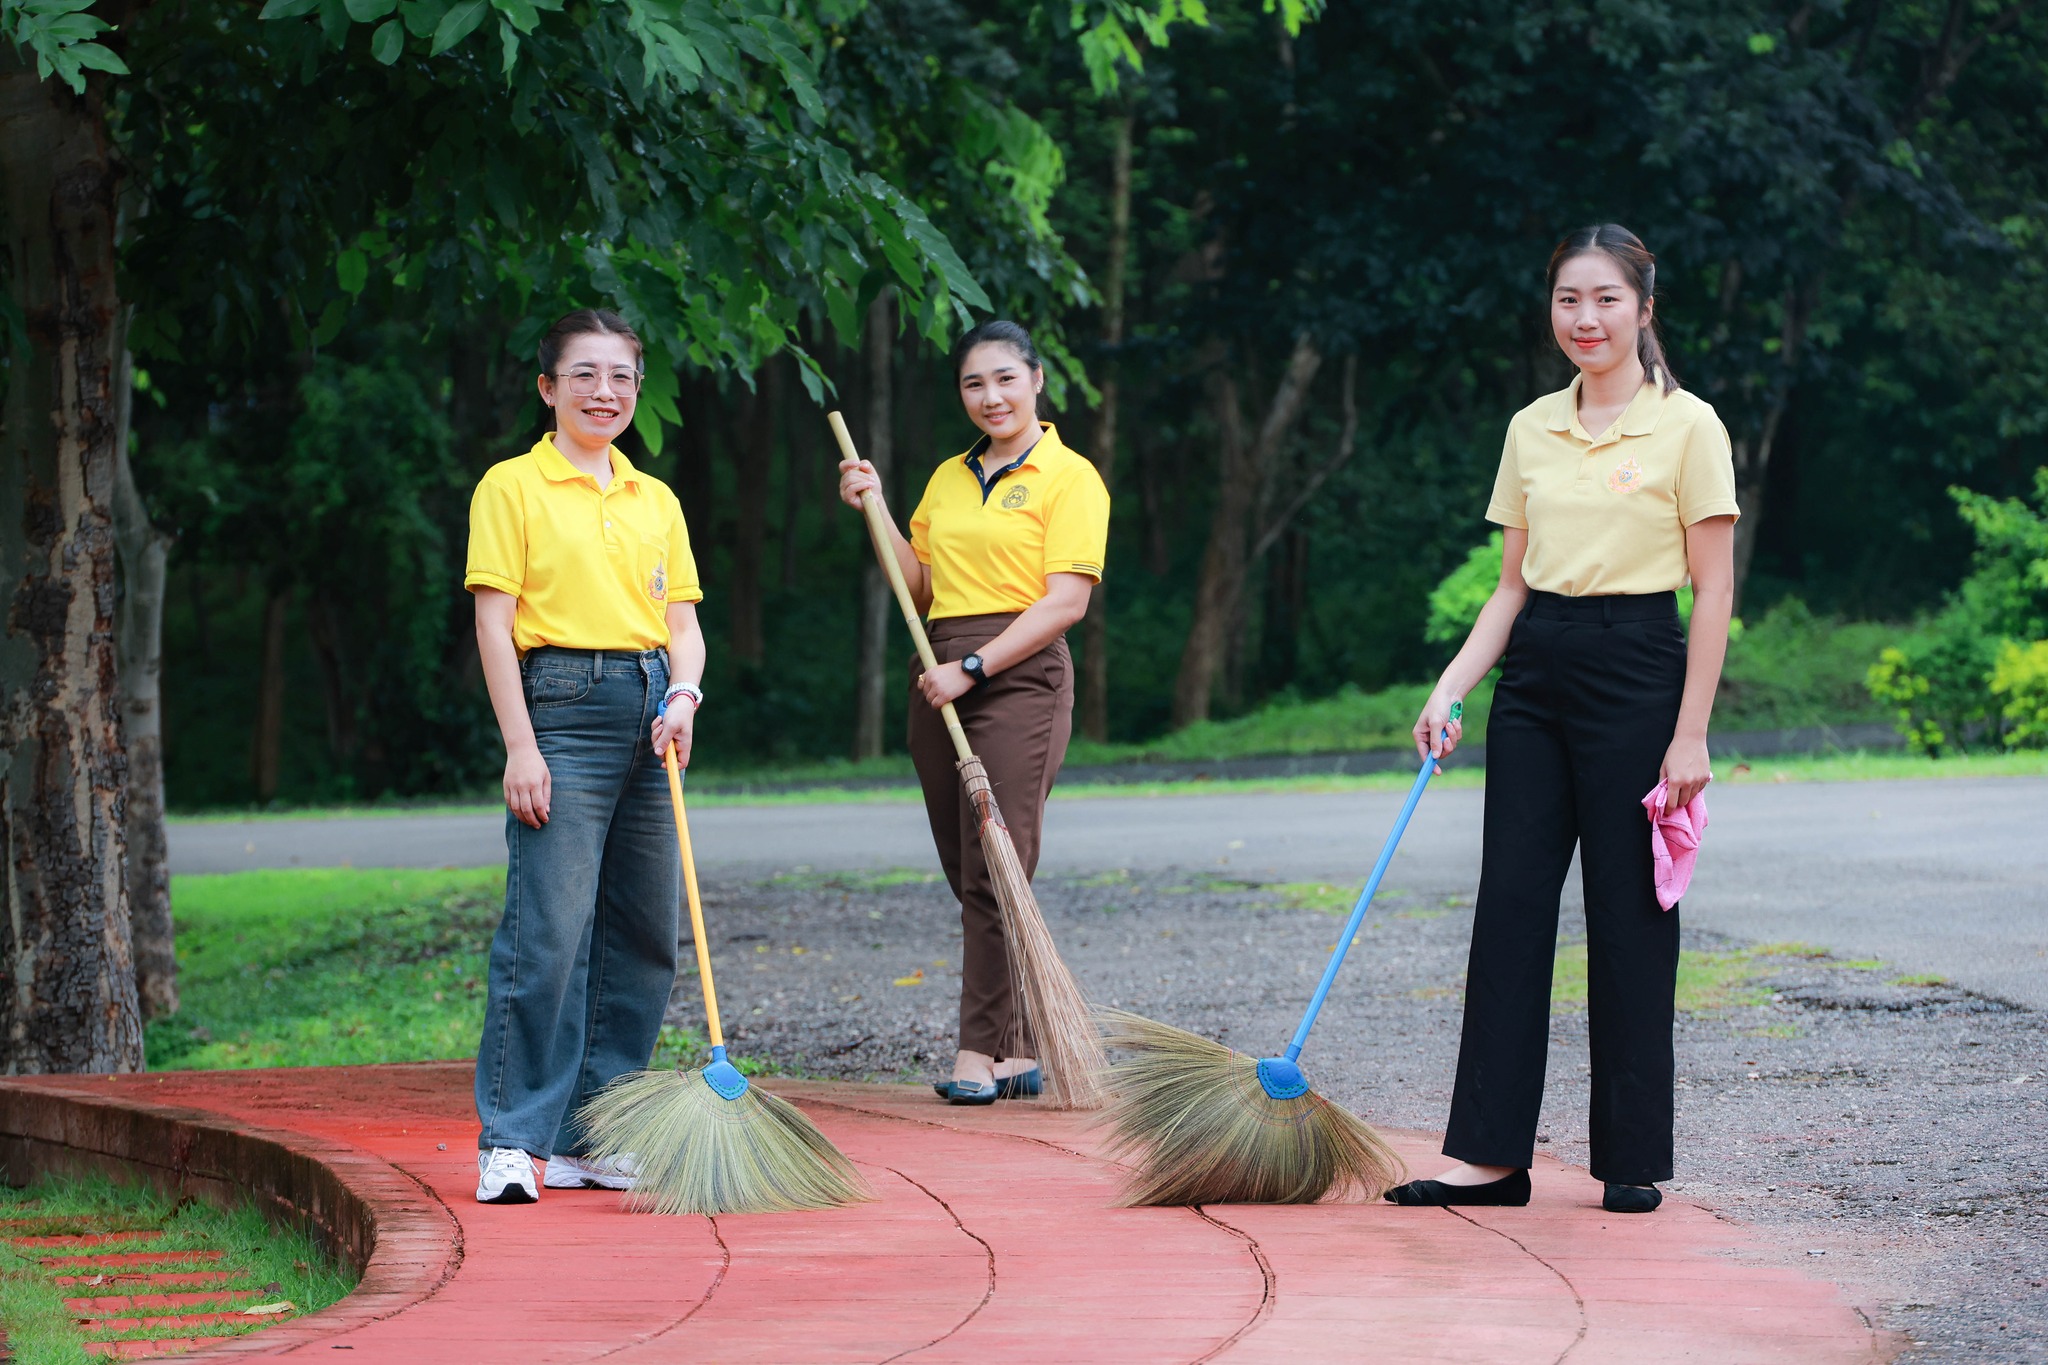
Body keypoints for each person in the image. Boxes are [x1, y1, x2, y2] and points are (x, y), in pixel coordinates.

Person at [1388, 226, 1738, 1214]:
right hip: (1535, 672)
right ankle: (1488, 1156)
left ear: (1643, 308)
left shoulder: (1688, 427)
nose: (1585, 318)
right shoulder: (1531, 427)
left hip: (1639, 666)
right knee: (1509, 905)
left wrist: (1689, 733)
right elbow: (1510, 586)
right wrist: (1450, 686)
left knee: (1629, 914)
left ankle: (1630, 1155)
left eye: (1605, 299)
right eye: (1567, 300)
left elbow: (1712, 590)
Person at [464, 308, 707, 1204]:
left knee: (645, 937)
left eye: (622, 378)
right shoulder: (511, 486)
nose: (606, 392)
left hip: (652, 709)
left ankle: (594, 1136)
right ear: (548, 388)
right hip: (561, 704)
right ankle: (513, 1140)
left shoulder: (656, 498)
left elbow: (684, 626)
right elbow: (493, 624)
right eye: (585, 375)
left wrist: (685, 695)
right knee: (549, 934)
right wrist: (520, 746)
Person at [836, 320, 1110, 1105]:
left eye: (1005, 378)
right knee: (969, 867)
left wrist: (978, 666)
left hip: (1017, 672)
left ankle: (973, 1052)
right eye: (973, 383)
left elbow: (1066, 601)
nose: (991, 396)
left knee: (997, 862)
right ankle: (1018, 1046)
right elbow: (918, 585)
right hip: (939, 666)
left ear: (1037, 380)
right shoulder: (948, 478)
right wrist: (876, 508)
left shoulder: (1071, 477)